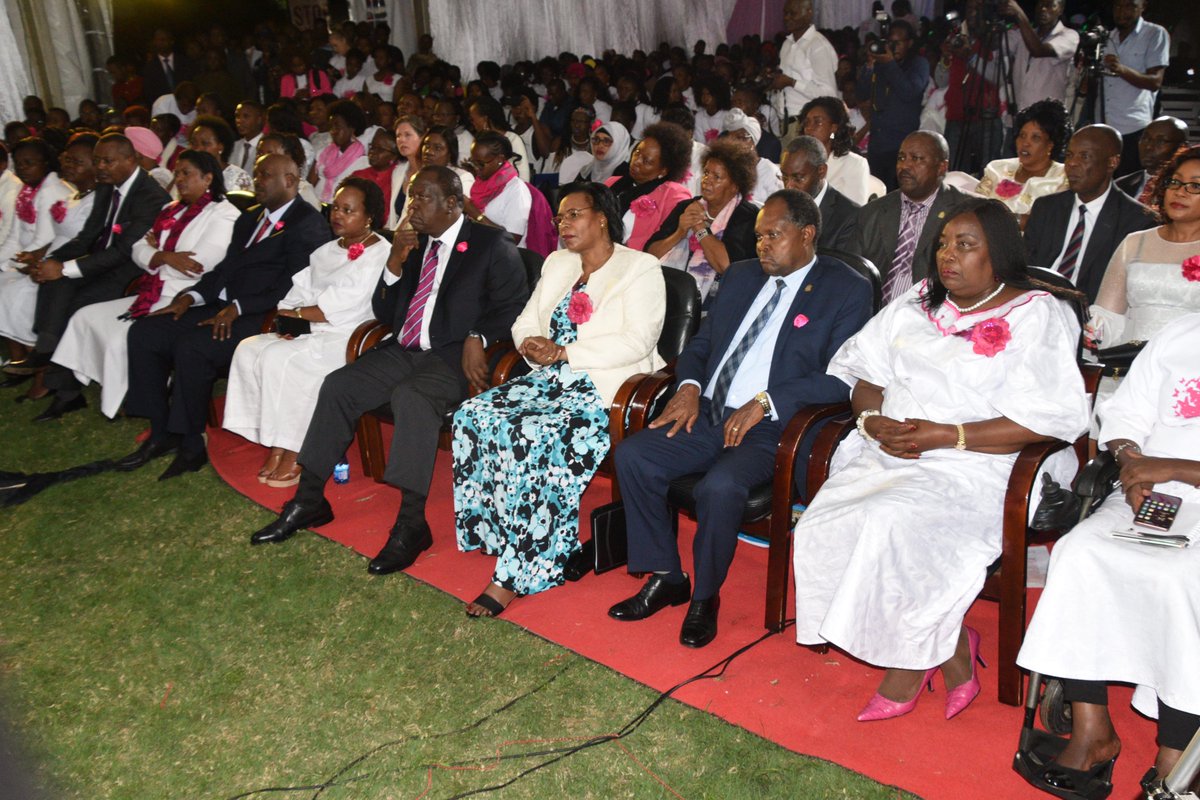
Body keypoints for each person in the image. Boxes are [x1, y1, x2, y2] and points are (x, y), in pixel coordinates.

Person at [792, 198, 1090, 721]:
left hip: (980, 461)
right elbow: (868, 376)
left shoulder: (1036, 314)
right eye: (944, 244)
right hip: (895, 449)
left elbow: (1047, 420)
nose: (947, 255)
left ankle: (906, 670)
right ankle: (952, 644)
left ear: (998, 254)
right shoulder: (918, 301)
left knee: (893, 523)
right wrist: (870, 421)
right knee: (823, 522)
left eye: (965, 245)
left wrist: (946, 435)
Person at [609, 190, 874, 648]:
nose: (762, 245)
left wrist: (768, 401)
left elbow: (843, 379)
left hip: (773, 427)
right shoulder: (741, 277)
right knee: (634, 456)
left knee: (721, 487)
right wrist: (689, 387)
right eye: (758, 236)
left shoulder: (846, 288)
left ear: (807, 234)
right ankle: (669, 576)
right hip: (708, 412)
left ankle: (705, 598)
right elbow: (701, 346)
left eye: (774, 235)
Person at [247, 166, 529, 579]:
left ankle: (412, 525)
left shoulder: (491, 244)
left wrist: (478, 335)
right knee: (339, 385)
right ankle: (309, 501)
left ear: (452, 203)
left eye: (423, 198)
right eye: (411, 197)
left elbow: (514, 305)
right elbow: (386, 313)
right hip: (405, 348)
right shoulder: (414, 244)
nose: (412, 207)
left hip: (452, 356)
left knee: (412, 398)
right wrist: (396, 262)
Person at [453, 182, 666, 617]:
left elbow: (637, 340)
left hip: (604, 389)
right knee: (473, 414)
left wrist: (566, 352)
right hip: (548, 379)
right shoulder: (556, 263)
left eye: (574, 215)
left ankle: (518, 572)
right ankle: (496, 532)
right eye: (559, 218)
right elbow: (526, 319)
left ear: (602, 217)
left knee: (532, 434)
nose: (563, 225)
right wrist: (531, 343)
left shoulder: (641, 267)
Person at [1016, 312, 1200, 798]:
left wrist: (1177, 466)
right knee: (1077, 553)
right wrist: (1134, 463)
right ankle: (1092, 728)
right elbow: (1123, 417)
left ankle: (1177, 755)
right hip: (1149, 488)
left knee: (1180, 575)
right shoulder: (1181, 333)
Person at [118, 154, 330, 480]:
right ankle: (161, 430)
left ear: (289, 180)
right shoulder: (250, 218)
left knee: (194, 346)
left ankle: (191, 443)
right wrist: (189, 297)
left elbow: (294, 285)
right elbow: (224, 269)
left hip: (263, 315)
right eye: (256, 174)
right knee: (146, 332)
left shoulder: (308, 223)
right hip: (221, 305)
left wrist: (239, 307)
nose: (256, 180)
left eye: (265, 175)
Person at [45, 150, 240, 420]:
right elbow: (137, 249)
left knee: (119, 337)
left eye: (186, 173)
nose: (179, 179)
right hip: (153, 288)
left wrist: (155, 254)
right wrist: (163, 256)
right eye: (177, 173)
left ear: (208, 178)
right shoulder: (170, 210)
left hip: (184, 297)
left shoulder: (224, 214)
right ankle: (80, 388)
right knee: (84, 316)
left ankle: (132, 394)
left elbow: (198, 267)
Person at [224, 178, 389, 487]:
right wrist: (291, 320)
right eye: (335, 208)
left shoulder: (380, 253)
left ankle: (297, 447)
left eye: (348, 210)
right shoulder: (327, 250)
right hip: (311, 325)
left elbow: (341, 306)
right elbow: (299, 290)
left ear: (369, 218)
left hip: (348, 335)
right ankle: (275, 441)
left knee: (281, 360)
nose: (337, 215)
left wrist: (297, 317)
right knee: (249, 348)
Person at [2, 134, 171, 379]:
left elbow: (123, 252)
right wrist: (51, 261)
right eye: (97, 160)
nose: (100, 167)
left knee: (77, 302)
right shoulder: (107, 184)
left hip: (132, 270)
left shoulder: (151, 197)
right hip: (102, 261)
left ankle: (61, 381)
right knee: (55, 280)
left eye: (107, 161)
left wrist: (64, 268)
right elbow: (87, 236)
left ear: (131, 160)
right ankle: (46, 352)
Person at [0, 133, 97, 400]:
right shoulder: (64, 193)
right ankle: (23, 359)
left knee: (16, 294)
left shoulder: (55, 191)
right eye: (18, 163)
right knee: (7, 288)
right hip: (49, 256)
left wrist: (35, 262)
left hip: (67, 263)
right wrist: (16, 261)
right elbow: (21, 238)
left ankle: (39, 366)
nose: (22, 169)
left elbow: (52, 238)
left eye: (29, 163)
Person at [1087, 146, 1200, 359]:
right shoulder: (1135, 242)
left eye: (1194, 186)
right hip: (1130, 364)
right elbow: (1107, 316)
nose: (1180, 191)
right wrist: (1091, 334)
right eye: (1174, 182)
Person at [1023, 124, 1157, 303]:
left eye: (1084, 156)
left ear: (1112, 162)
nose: (1072, 164)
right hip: (1037, 304)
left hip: (1092, 312)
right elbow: (1025, 267)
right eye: (1069, 155)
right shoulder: (1046, 207)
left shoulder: (1138, 221)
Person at [855, 131, 969, 305]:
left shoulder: (965, 212)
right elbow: (852, 270)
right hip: (874, 313)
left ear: (941, 167)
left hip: (932, 314)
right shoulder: (873, 212)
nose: (905, 166)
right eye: (901, 158)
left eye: (916, 159)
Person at [645, 138, 759, 301]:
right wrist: (680, 232)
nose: (707, 180)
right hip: (668, 295)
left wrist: (700, 228)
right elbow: (650, 255)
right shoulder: (687, 206)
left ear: (735, 185)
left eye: (717, 177)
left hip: (717, 302)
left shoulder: (747, 216)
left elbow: (727, 267)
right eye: (706, 173)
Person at [857, 20, 929, 192]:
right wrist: (869, 66)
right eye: (890, 42)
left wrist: (890, 63)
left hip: (902, 144)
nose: (893, 47)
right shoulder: (881, 66)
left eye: (899, 42)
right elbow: (861, 94)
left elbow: (909, 91)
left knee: (899, 195)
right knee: (877, 193)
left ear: (910, 43)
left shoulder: (918, 64)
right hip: (878, 143)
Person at [1102, 0, 1170, 177]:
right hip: (1105, 125)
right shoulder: (1108, 37)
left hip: (1135, 127)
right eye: (1117, 6)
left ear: (1143, 6)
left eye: (1129, 6)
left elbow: (1155, 81)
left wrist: (1121, 69)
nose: (1122, 11)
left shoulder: (1155, 33)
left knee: (1131, 186)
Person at [975, 100, 1071, 222]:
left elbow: (1049, 222)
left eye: (1035, 138)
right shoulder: (997, 168)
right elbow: (975, 208)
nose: (1025, 143)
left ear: (1051, 145)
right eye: (1022, 135)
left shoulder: (1063, 177)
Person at [604, 122, 693, 252]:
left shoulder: (673, 195)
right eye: (637, 152)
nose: (636, 162)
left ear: (663, 171)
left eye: (646, 161)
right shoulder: (613, 183)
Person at [770, 0, 839, 146]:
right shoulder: (787, 44)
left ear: (809, 13)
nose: (787, 18)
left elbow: (829, 94)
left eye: (792, 13)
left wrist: (792, 82)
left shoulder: (818, 46)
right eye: (785, 13)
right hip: (786, 125)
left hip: (807, 125)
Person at [781, 135, 860, 251]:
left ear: (821, 171)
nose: (788, 186)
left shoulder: (850, 217)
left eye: (798, 178)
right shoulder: (779, 207)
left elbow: (841, 267)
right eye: (784, 177)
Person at [1002, 0, 1079, 114]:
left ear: (1061, 9)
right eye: (1040, 5)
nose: (1043, 9)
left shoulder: (1069, 35)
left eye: (1049, 5)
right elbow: (996, 44)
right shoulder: (1023, 33)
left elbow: (1038, 50)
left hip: (1046, 117)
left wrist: (1019, 14)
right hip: (1019, 113)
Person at [461, 131, 533, 247]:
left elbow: (512, 239)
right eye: (473, 162)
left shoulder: (516, 190)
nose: (476, 168)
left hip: (504, 257)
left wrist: (475, 213)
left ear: (500, 159)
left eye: (480, 164)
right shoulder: (480, 184)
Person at [798, 97, 872, 205]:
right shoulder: (800, 160)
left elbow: (854, 212)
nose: (809, 128)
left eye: (817, 122)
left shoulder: (854, 164)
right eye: (807, 123)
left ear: (834, 128)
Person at [1114, 115, 1189, 203]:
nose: (1149, 146)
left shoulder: (1186, 189)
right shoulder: (1120, 185)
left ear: (1182, 147)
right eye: (1145, 139)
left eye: (1160, 141)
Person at [313, 100, 369, 204]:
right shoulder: (322, 153)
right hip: (315, 206)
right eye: (331, 127)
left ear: (351, 128)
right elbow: (311, 185)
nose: (333, 131)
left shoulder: (363, 162)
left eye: (337, 126)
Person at [721, 109, 782, 203]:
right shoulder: (725, 168)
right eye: (731, 139)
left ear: (753, 142)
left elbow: (778, 205)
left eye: (741, 138)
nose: (735, 143)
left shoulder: (768, 170)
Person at [468, 96, 531, 182]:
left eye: (473, 120)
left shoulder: (513, 139)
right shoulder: (478, 142)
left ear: (485, 119)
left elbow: (524, 178)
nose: (472, 123)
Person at [187, 115, 254, 194]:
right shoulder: (188, 173)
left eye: (205, 143)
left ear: (220, 147)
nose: (197, 148)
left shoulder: (238, 178)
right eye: (193, 143)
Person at [257, 132, 320, 210]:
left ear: (289, 158)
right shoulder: (258, 185)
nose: (262, 159)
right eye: (260, 153)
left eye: (270, 154)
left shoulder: (304, 193)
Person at [385, 115, 427, 227]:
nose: (401, 140)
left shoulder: (428, 174)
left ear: (422, 138)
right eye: (398, 136)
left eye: (407, 135)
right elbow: (393, 215)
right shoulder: (398, 171)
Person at [352, 128, 399, 216]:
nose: (372, 152)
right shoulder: (358, 176)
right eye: (372, 147)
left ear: (394, 156)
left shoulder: (398, 178)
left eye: (380, 149)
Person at [230, 102, 266, 175]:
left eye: (246, 116)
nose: (239, 121)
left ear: (259, 119)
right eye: (237, 116)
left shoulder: (267, 145)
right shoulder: (233, 146)